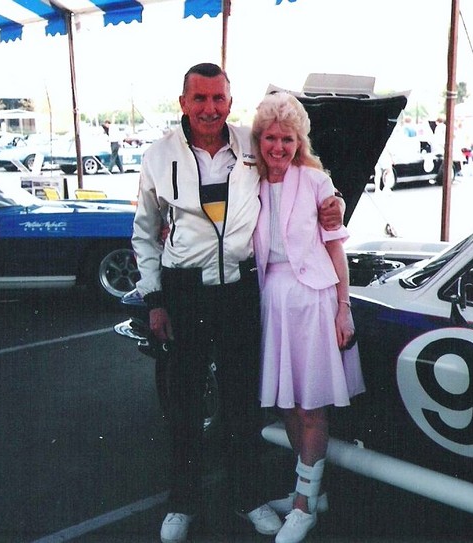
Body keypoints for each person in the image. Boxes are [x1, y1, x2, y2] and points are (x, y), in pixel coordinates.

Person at [131, 63, 344, 543]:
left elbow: (301, 166)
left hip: (241, 291)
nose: (210, 108)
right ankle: (182, 504)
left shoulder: (252, 143)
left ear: (230, 102)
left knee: (243, 405)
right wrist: (155, 300)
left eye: (218, 99)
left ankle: (247, 497)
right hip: (184, 290)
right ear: (183, 101)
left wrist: (337, 200)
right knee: (184, 403)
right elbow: (145, 232)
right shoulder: (156, 156)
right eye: (200, 99)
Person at [251, 92, 365, 543]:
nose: (279, 147)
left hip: (314, 301)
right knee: (286, 404)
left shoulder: (318, 183)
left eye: (288, 139)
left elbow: (337, 250)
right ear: (259, 140)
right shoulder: (251, 184)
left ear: (300, 142)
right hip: (271, 302)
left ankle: (303, 505)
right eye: (271, 138)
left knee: (311, 404)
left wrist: (343, 308)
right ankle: (311, 492)